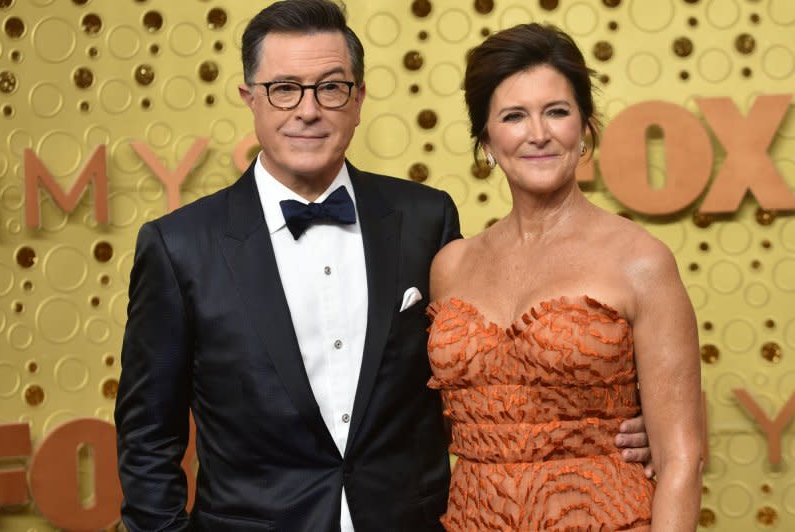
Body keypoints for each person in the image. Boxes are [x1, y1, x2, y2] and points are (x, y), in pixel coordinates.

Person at [115, 2, 653, 530]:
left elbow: (486, 374)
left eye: (331, 87)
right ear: (249, 98)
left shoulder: (425, 221)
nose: (308, 109)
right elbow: (147, 437)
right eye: (284, 89)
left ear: (359, 98)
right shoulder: (179, 245)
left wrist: (617, 429)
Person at [427, 22, 703, 531]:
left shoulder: (640, 260)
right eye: (514, 116)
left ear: (584, 127)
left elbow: (681, 459)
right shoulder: (452, 265)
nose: (539, 134)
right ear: (486, 138)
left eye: (557, 112)